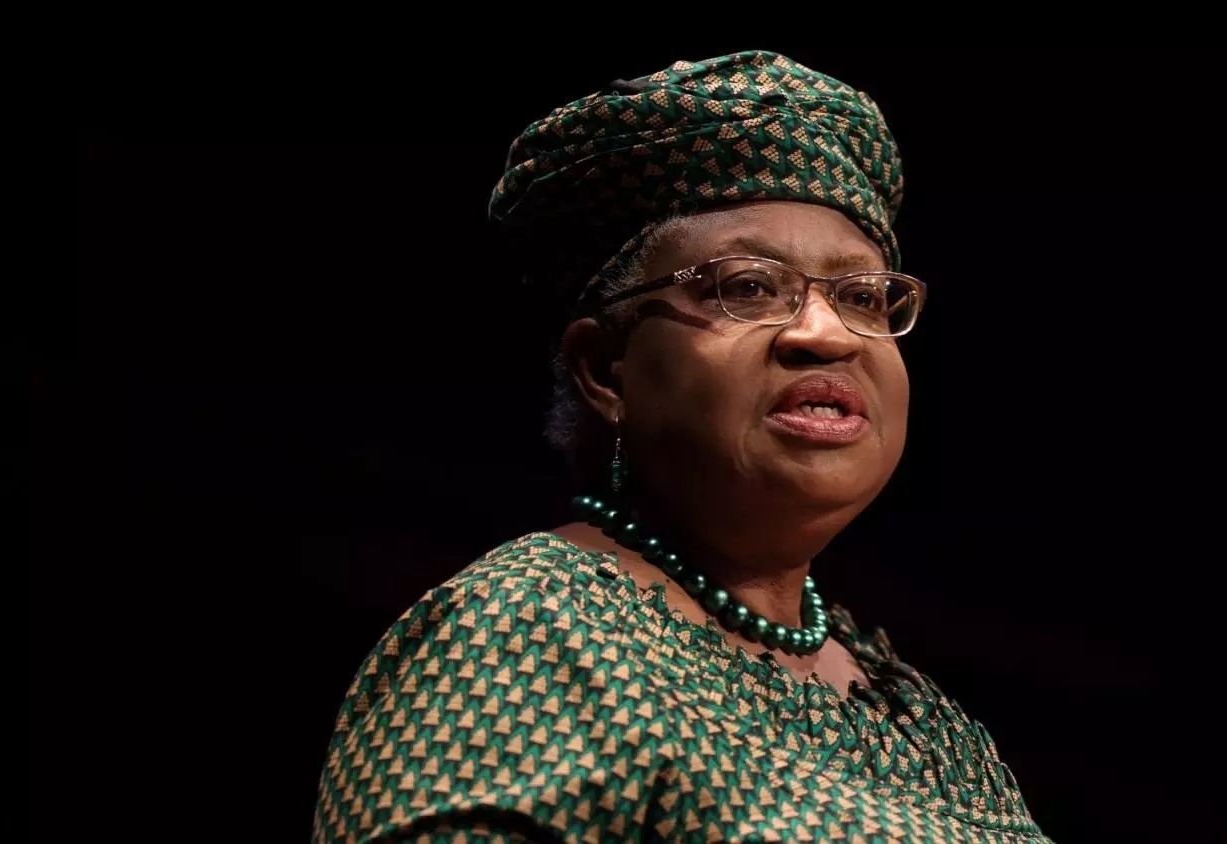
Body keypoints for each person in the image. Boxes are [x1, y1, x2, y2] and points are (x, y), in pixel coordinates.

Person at [312, 50, 1053, 843]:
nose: (824, 333)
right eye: (746, 287)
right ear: (605, 369)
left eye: (863, 297)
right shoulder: (530, 628)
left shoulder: (912, 710)